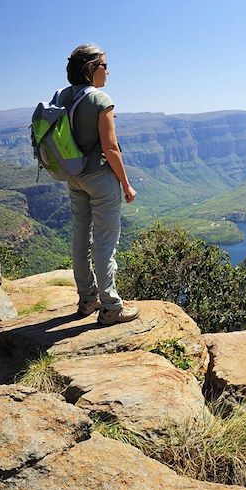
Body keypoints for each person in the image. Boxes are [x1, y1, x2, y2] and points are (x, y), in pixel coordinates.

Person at [59, 43, 138, 325]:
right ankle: (111, 307)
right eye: (104, 65)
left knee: (80, 238)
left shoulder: (62, 96)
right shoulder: (100, 100)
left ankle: (87, 299)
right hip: (100, 179)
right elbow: (111, 147)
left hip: (73, 176)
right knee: (105, 242)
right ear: (91, 68)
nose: (108, 71)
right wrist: (126, 184)